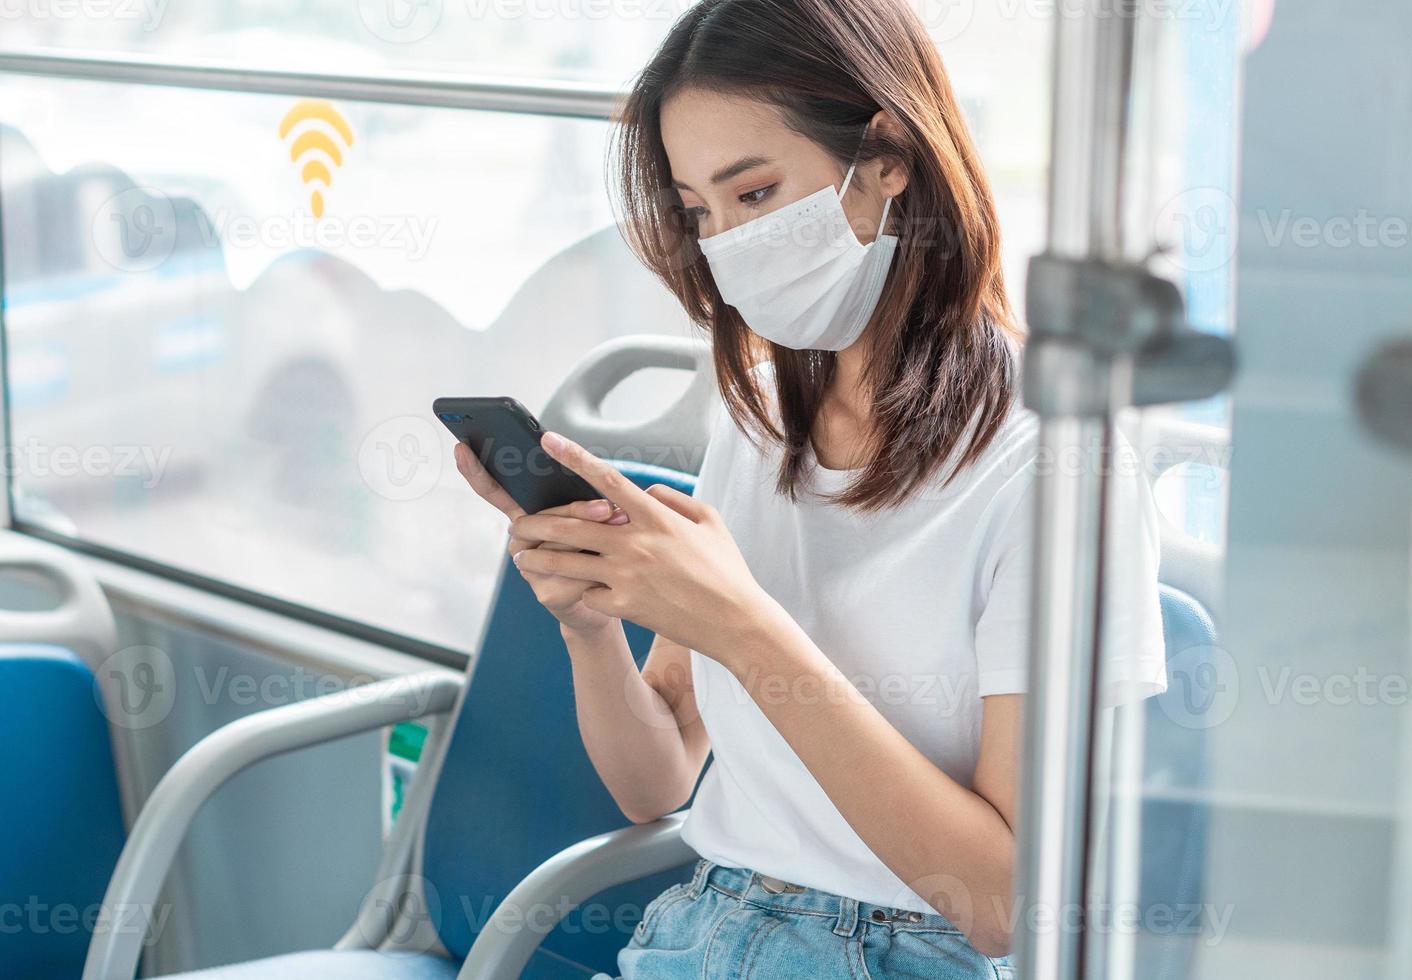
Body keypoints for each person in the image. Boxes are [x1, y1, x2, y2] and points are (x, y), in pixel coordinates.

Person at [455, 0, 1167, 975]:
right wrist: (588, 621)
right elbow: (657, 778)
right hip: (707, 923)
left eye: (754, 195)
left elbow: (1004, 902)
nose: (726, 245)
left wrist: (744, 627)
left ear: (887, 157)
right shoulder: (762, 414)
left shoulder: (1054, 457)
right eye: (701, 211)